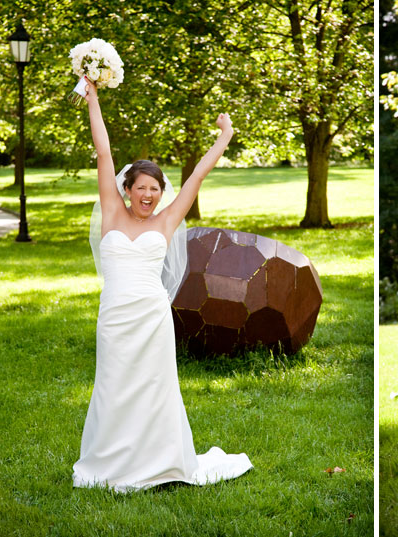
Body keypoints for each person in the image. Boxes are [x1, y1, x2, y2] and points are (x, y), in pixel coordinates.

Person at [72, 78, 253, 492]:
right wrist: (93, 100)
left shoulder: (166, 222)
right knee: (114, 388)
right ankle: (112, 460)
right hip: (115, 317)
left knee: (155, 389)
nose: (149, 195)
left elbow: (197, 178)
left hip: (153, 317)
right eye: (142, 188)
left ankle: (162, 461)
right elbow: (103, 153)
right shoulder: (113, 215)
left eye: (155, 189)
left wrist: (224, 137)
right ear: (127, 190)